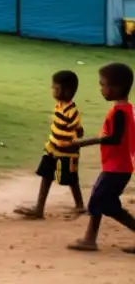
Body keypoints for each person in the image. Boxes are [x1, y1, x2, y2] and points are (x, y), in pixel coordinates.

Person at [68, 63, 135, 252]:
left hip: (117, 167)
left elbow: (114, 138)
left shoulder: (121, 112)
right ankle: (90, 238)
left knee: (101, 202)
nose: (101, 89)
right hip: (118, 166)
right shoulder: (126, 109)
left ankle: (90, 239)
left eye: (103, 85)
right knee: (105, 203)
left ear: (117, 88)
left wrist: (83, 142)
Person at [14, 70, 85, 219]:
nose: (53, 91)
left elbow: (79, 131)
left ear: (67, 91)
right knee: (46, 176)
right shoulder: (59, 105)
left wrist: (72, 142)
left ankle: (79, 205)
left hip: (67, 152)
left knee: (71, 179)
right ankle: (39, 209)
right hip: (52, 149)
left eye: (55, 88)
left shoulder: (72, 111)